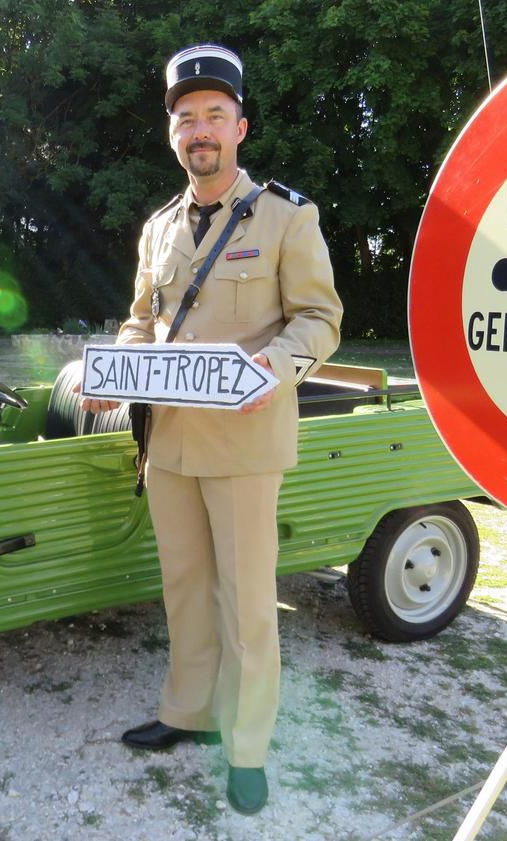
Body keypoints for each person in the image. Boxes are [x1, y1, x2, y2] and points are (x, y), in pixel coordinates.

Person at [79, 43, 343, 814]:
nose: (200, 129)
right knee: (185, 588)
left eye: (214, 116)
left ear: (240, 127)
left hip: (245, 444)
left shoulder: (290, 217)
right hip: (171, 445)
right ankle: (187, 713)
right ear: (173, 135)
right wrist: (114, 375)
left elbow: (320, 320)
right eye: (186, 117)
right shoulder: (159, 230)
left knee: (247, 601)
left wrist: (277, 368)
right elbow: (140, 321)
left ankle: (249, 745)